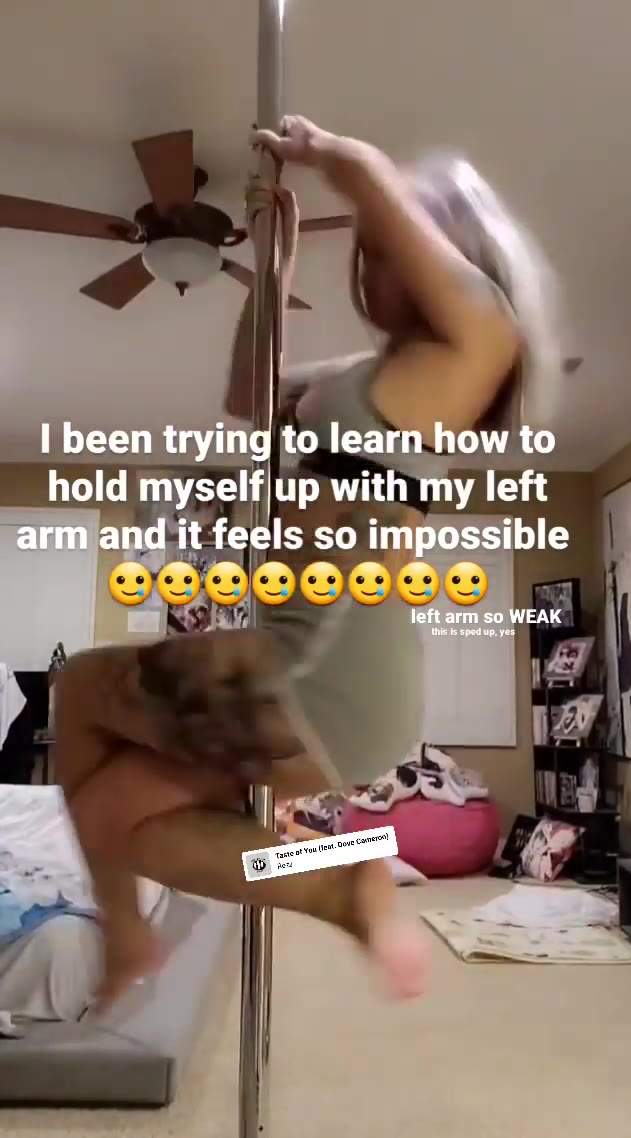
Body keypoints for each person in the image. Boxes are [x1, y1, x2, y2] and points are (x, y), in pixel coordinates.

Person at [56, 115, 560, 1011]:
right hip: (319, 675)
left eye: (389, 247)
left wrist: (334, 157)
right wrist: (275, 264)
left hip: (317, 668)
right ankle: (329, 876)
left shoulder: (462, 359)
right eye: (367, 253)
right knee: (108, 816)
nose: (370, 267)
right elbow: (249, 396)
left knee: (84, 686)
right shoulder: (372, 374)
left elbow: (447, 267)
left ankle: (254, 906)